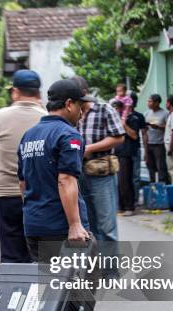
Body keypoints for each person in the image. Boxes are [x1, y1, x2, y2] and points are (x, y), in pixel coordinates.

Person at [18, 79, 91, 262]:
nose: (81, 113)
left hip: (34, 225)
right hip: (61, 229)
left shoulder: (29, 135)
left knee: (46, 285)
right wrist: (74, 224)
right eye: (80, 106)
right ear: (68, 104)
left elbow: (23, 182)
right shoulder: (68, 135)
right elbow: (66, 179)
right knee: (77, 288)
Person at [0, 69, 46, 263]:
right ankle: (37, 293)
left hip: (6, 193)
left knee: (11, 253)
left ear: (15, 92)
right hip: (39, 194)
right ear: (38, 93)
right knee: (38, 254)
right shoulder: (46, 117)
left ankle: (11, 292)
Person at [73, 75, 125, 243]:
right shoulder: (73, 114)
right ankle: (98, 267)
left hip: (101, 173)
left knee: (107, 227)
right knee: (90, 226)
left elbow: (118, 137)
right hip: (79, 173)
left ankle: (110, 270)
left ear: (84, 93)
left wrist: (89, 148)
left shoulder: (104, 109)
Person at [144, 94, 170, 184]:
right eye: (148, 101)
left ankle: (163, 189)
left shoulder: (165, 113)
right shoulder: (147, 113)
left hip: (159, 144)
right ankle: (152, 189)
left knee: (161, 167)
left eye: (150, 101)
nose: (148, 103)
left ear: (157, 103)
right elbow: (144, 130)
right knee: (150, 167)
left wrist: (158, 127)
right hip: (149, 143)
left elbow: (169, 127)